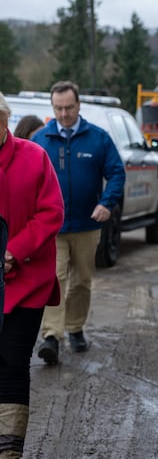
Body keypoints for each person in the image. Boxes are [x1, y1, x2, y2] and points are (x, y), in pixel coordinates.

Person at [31, 81, 125, 365]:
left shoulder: (98, 138)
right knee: (53, 279)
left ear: (79, 105)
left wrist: (106, 203)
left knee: (81, 281)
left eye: (69, 107)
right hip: (52, 227)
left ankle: (75, 328)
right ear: (52, 107)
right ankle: (51, 336)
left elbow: (117, 173)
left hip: (87, 224)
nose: (63, 114)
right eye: (58, 108)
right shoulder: (40, 139)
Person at [0, 92, 64, 458]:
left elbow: (51, 212)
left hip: (26, 282)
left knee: (11, 361)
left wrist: (13, 251)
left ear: (4, 121)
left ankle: (8, 449)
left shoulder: (34, 157)